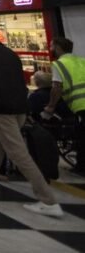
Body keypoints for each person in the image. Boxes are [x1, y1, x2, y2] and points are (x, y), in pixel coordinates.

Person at [0, 17, 63, 218]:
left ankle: (48, 200)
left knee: (18, 153)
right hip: (20, 107)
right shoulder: (9, 53)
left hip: (1, 109)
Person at [44, 37, 85, 173]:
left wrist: (50, 106)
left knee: (82, 136)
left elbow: (57, 87)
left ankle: (82, 166)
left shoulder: (59, 64)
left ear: (58, 48)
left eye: (51, 46)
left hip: (80, 104)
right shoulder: (81, 60)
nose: (50, 49)